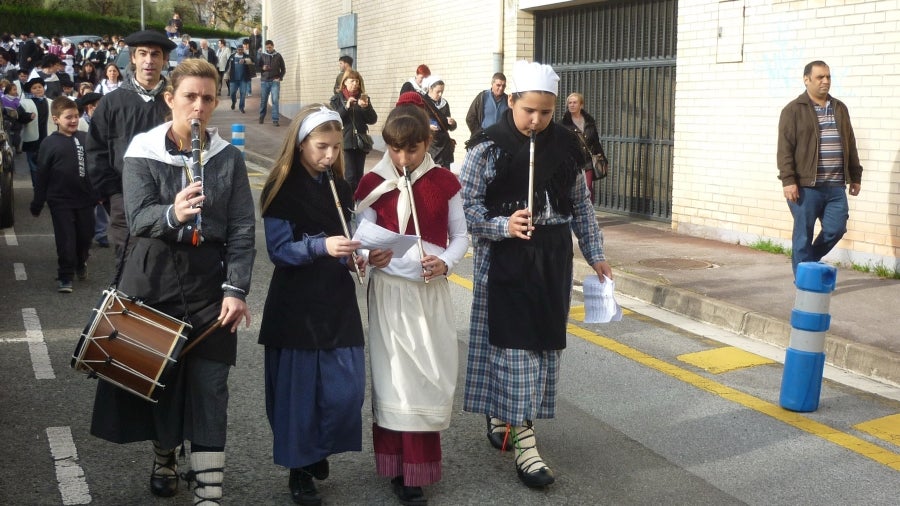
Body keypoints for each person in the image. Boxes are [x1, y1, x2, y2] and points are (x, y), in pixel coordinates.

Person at [89, 58, 255, 505]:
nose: (198, 107)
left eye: (207, 98)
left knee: (210, 386)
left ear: (216, 101)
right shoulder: (143, 149)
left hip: (207, 283)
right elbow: (136, 216)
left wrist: (236, 289)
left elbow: (241, 229)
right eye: (189, 97)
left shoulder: (228, 157)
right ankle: (164, 455)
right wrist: (172, 213)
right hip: (155, 279)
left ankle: (208, 494)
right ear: (170, 99)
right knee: (159, 380)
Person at [460, 60, 612, 489]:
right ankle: (524, 438)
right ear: (511, 101)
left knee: (541, 343)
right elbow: (468, 210)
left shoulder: (566, 145)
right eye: (529, 111)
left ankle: (513, 417)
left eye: (545, 113)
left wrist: (595, 252)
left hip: (551, 255)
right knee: (511, 345)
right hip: (505, 255)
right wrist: (502, 226)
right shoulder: (487, 147)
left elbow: (581, 205)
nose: (537, 120)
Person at [354, 91, 468, 506]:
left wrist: (446, 265)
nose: (403, 157)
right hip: (389, 294)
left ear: (427, 144)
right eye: (395, 148)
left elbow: (460, 236)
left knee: (427, 375)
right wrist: (369, 255)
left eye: (413, 148)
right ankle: (399, 469)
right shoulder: (372, 184)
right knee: (395, 377)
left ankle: (420, 464)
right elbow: (360, 240)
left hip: (429, 292)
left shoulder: (445, 182)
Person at [257, 104, 366, 506]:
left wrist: (359, 254)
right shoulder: (279, 187)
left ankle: (317, 448)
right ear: (301, 143)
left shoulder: (338, 185)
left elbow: (348, 236)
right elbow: (279, 251)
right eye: (322, 147)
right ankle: (300, 470)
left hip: (336, 297)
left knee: (346, 391)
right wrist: (322, 245)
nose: (331, 156)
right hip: (297, 303)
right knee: (299, 395)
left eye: (336, 148)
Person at [86, 30, 177, 256]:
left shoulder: (176, 102)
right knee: (129, 265)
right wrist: (112, 194)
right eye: (142, 54)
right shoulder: (111, 103)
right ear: (133, 58)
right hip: (124, 198)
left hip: (170, 199)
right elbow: (95, 151)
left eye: (155, 54)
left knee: (167, 262)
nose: (149, 61)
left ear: (165, 59)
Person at [777, 60, 862, 275]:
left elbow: (849, 143)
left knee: (836, 228)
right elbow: (785, 149)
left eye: (828, 77)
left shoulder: (839, 108)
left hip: (835, 187)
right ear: (806, 80)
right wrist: (788, 181)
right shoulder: (793, 110)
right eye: (820, 77)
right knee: (803, 234)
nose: (825, 81)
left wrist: (855, 175)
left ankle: (807, 263)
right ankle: (803, 281)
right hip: (806, 186)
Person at [29, 96, 95, 293]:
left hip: (85, 200)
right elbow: (42, 175)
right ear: (56, 119)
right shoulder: (49, 143)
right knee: (66, 239)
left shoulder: (85, 138)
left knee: (85, 237)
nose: (74, 120)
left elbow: (95, 167)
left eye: (76, 116)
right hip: (60, 201)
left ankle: (80, 262)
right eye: (68, 117)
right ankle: (65, 275)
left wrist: (100, 193)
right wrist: (38, 202)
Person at [330, 70, 377, 193]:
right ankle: (349, 204)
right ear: (345, 82)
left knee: (359, 176)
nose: (355, 84)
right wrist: (346, 107)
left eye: (357, 81)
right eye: (352, 81)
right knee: (350, 177)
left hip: (360, 142)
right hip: (345, 142)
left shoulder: (363, 98)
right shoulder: (336, 99)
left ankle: (358, 202)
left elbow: (373, 119)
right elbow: (334, 119)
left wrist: (366, 108)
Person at [560, 92, 608, 203]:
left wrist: (603, 159)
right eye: (570, 103)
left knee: (588, 189)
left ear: (581, 105)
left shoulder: (590, 122)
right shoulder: (563, 124)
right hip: (571, 163)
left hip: (587, 162)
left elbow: (596, 142)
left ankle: (588, 214)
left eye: (575, 102)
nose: (571, 105)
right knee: (571, 189)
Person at [76, 91, 109, 248]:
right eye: (99, 105)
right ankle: (85, 233)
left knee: (101, 202)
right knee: (87, 205)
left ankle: (101, 233)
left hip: (100, 168)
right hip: (84, 168)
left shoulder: (104, 121)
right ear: (90, 107)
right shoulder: (81, 123)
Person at [20, 76, 54, 186]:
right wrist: (28, 116)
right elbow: (19, 118)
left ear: (44, 88)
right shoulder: (25, 103)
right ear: (30, 90)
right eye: (34, 88)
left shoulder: (51, 102)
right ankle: (38, 188)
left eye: (40, 87)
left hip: (49, 139)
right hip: (32, 141)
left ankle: (49, 189)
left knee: (50, 166)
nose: (38, 89)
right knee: (34, 167)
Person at [420, 75, 457, 168]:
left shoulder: (444, 103)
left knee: (445, 175)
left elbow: (450, 127)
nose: (440, 94)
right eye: (438, 92)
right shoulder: (422, 103)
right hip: (431, 146)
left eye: (442, 92)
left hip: (444, 146)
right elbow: (416, 122)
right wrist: (427, 127)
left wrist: (452, 123)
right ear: (430, 89)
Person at [465, 72, 508, 142]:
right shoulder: (482, 97)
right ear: (492, 83)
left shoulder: (508, 100)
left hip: (500, 141)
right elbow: (470, 118)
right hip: (482, 140)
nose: (501, 88)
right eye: (498, 85)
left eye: (503, 86)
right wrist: (479, 133)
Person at [257, 39, 285, 126]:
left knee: (275, 100)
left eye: (270, 47)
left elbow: (283, 69)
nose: (268, 49)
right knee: (263, 100)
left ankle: (275, 120)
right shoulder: (262, 55)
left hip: (275, 81)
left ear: (273, 46)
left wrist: (279, 78)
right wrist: (262, 68)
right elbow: (257, 68)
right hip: (264, 81)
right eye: (267, 48)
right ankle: (261, 116)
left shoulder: (278, 56)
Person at [225, 44, 252, 114]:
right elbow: (228, 67)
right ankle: (234, 101)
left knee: (243, 94)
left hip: (243, 79)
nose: (240, 51)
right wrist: (226, 76)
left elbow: (251, 62)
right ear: (236, 50)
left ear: (243, 49)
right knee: (232, 93)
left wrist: (245, 60)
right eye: (239, 49)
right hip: (233, 79)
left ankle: (241, 107)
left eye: (241, 49)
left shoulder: (246, 56)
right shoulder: (232, 57)